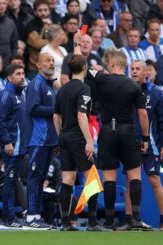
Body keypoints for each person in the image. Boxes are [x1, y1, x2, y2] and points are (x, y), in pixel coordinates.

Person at [74, 31, 153, 231]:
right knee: (134, 175)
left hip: (108, 130)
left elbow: (81, 65)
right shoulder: (134, 86)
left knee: (109, 177)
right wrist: (145, 138)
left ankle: (109, 221)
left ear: (110, 64)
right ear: (124, 65)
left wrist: (77, 42)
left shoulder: (101, 78)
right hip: (127, 130)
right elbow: (143, 115)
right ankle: (134, 219)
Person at [54, 54, 106, 231]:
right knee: (92, 177)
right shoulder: (84, 89)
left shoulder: (62, 89)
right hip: (77, 136)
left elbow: (56, 115)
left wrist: (60, 135)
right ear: (84, 68)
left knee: (68, 179)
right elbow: (82, 115)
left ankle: (65, 223)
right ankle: (92, 222)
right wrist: (89, 141)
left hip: (65, 136)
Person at [119, 59, 163, 231]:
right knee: (129, 181)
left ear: (146, 72)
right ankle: (130, 219)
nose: (134, 71)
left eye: (138, 69)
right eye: (132, 69)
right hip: (129, 144)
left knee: (154, 180)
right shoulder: (125, 91)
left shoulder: (156, 93)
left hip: (152, 145)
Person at [24, 52, 58, 229]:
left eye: (52, 60)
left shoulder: (50, 85)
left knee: (42, 177)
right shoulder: (36, 84)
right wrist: (56, 109)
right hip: (38, 139)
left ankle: (36, 214)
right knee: (35, 177)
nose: (51, 63)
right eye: (47, 60)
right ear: (38, 65)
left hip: (49, 140)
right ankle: (30, 216)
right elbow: (33, 108)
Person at [0, 64, 27, 229]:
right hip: (11, 145)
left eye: (23, 73)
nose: (22, 76)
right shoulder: (6, 95)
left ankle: (9, 217)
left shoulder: (19, 95)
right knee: (10, 181)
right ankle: (7, 218)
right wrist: (7, 142)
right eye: (18, 73)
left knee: (13, 181)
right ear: (9, 77)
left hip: (19, 145)